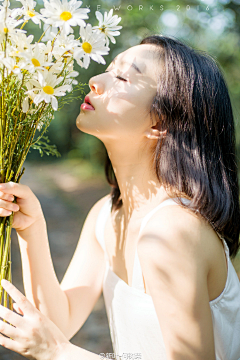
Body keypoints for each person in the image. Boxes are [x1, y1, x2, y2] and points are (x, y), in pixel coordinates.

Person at [0, 34, 239, 360]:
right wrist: (31, 230)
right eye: (109, 70)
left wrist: (59, 354)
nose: (95, 80)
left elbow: (56, 343)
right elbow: (59, 322)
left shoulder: (172, 231)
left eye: (123, 77)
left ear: (160, 123)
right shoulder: (107, 215)